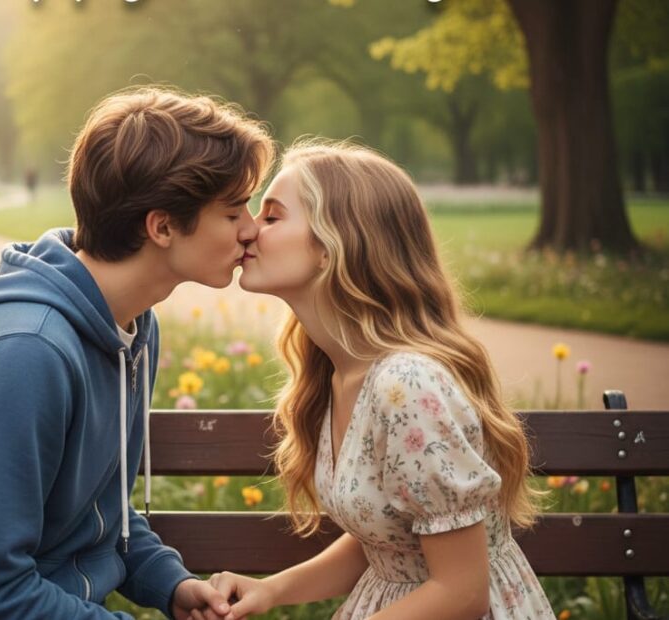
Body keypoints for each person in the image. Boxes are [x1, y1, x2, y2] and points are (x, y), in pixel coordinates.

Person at [0, 87, 275, 620]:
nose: (252, 228)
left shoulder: (133, 328)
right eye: (234, 212)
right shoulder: (25, 353)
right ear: (162, 226)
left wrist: (170, 584)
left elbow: (98, 512)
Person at [211, 141, 556, 620]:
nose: (247, 229)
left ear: (336, 244)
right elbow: (388, 538)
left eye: (271, 217)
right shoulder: (339, 372)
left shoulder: (408, 385)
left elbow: (462, 594)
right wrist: (269, 591)